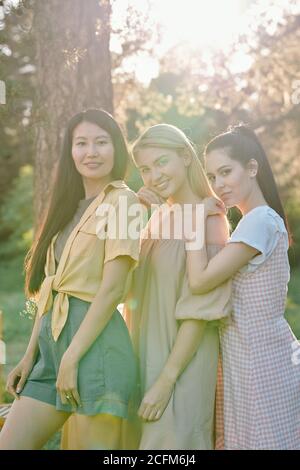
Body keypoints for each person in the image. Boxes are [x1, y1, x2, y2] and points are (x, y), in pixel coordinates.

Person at [0, 108, 141, 450]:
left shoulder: (125, 202)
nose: (91, 151)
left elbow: (112, 289)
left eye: (101, 142)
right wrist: (30, 355)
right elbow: (51, 290)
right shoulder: (68, 207)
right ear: (70, 151)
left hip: (97, 350)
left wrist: (73, 356)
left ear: (116, 149)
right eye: (81, 143)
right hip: (52, 348)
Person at [186, 124, 300, 450]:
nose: (218, 185)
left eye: (226, 172)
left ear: (252, 168)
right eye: (212, 177)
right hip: (252, 352)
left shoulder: (260, 221)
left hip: (259, 358)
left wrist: (194, 221)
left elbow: (200, 280)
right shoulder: (256, 221)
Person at [123, 124, 232, 450]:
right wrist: (135, 214)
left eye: (161, 162)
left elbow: (202, 310)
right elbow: (125, 289)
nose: (153, 175)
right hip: (145, 356)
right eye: (144, 168)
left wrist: (166, 380)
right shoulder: (155, 216)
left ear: (185, 156)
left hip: (183, 364)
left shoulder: (211, 217)